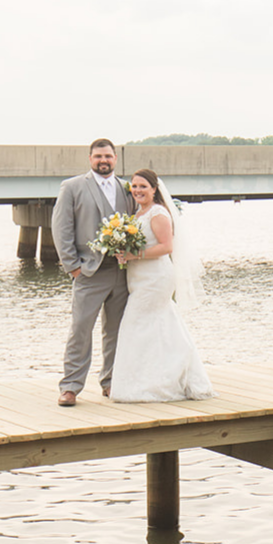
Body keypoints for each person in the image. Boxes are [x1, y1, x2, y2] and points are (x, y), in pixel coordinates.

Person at [109, 169, 215, 403]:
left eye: (143, 186)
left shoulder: (158, 213)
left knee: (137, 325)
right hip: (139, 279)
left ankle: (154, 383)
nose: (137, 190)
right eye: (134, 186)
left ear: (154, 189)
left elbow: (167, 247)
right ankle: (158, 376)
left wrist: (133, 254)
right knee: (157, 326)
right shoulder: (138, 214)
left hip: (155, 279)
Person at [52, 138, 133, 407]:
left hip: (121, 271)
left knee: (116, 330)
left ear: (115, 159)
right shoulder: (73, 187)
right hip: (88, 272)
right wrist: (72, 267)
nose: (103, 161)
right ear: (90, 159)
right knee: (80, 330)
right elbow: (61, 228)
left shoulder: (127, 188)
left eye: (108, 156)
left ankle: (110, 382)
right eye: (98, 156)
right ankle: (71, 387)